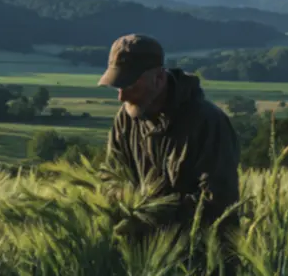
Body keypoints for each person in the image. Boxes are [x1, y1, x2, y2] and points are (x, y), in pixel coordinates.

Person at [99, 34, 242, 248]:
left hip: (201, 257)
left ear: (158, 78)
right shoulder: (125, 118)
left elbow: (217, 201)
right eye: (117, 86)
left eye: (129, 85)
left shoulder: (207, 122)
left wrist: (149, 216)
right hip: (145, 255)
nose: (121, 97)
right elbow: (111, 175)